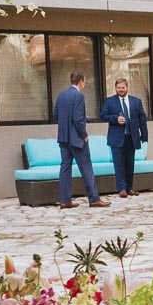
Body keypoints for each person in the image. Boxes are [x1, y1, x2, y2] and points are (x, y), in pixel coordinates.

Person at [54, 70, 106, 209]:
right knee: (86, 167)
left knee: (65, 168)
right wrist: (84, 134)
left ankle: (65, 200)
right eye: (84, 82)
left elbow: (56, 115)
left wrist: (82, 117)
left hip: (63, 138)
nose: (84, 85)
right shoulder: (78, 95)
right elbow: (77, 119)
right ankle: (94, 199)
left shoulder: (61, 95)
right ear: (81, 81)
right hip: (76, 139)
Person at [100, 77, 147, 199]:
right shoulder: (109, 101)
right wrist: (115, 119)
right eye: (119, 88)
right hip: (116, 138)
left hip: (131, 137)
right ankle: (121, 189)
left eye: (123, 87)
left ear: (127, 87)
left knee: (130, 163)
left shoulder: (136, 101)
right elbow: (103, 116)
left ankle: (129, 188)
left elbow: (142, 119)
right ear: (115, 88)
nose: (121, 90)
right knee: (119, 164)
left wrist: (144, 136)